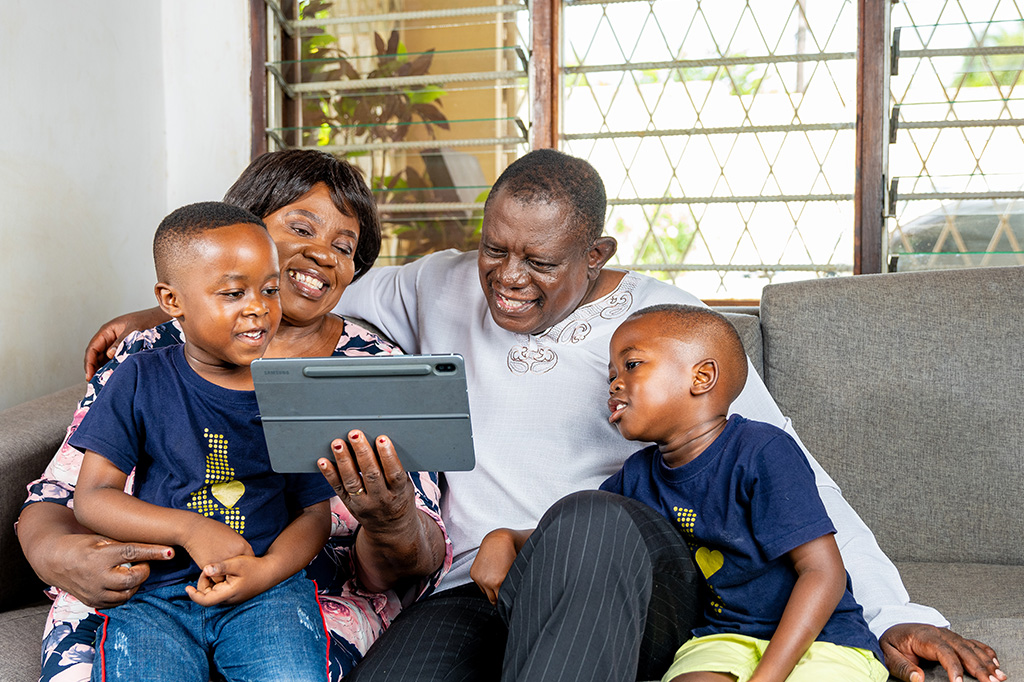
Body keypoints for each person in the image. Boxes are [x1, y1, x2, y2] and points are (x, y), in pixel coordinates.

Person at [78, 150, 1004, 682]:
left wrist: (897, 614)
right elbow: (294, 290)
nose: (507, 281)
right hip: (477, 585)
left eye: (539, 262)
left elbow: (802, 480)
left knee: (587, 517)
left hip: (627, 578)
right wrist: (154, 322)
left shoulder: (668, 328)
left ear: (596, 252)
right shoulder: (434, 287)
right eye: (494, 252)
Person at [18, 150, 450, 682]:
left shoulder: (373, 373)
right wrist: (58, 555)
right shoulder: (148, 356)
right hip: (149, 589)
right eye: (301, 227)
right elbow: (61, 496)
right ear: (245, 226)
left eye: (344, 247)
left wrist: (391, 520)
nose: (323, 255)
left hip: (297, 596)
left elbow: (412, 551)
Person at [71, 202, 336, 681]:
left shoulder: (292, 393)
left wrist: (268, 570)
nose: (259, 306)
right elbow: (92, 498)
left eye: (270, 289)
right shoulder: (139, 378)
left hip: (267, 594)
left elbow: (314, 515)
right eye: (234, 292)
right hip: (155, 595)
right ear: (172, 301)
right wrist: (190, 529)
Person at [600, 303, 889, 682]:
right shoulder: (638, 476)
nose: (615, 383)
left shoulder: (762, 450)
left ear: (701, 377)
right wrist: (508, 539)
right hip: (723, 638)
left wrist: (765, 678)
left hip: (822, 639)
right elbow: (583, 533)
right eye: (611, 375)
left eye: (632, 365)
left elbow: (824, 572)